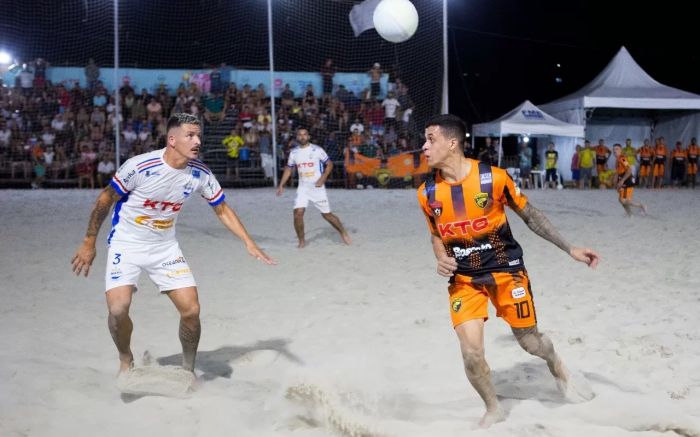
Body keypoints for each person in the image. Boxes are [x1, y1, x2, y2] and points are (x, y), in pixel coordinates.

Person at [417, 114, 599, 428]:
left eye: (430, 139)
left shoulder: (494, 178)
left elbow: (530, 216)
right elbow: (436, 234)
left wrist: (570, 248)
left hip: (507, 271)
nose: (424, 147)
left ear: (452, 142)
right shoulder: (427, 193)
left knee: (529, 342)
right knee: (471, 353)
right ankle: (493, 408)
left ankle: (555, 362)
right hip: (464, 280)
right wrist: (440, 256)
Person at [71, 113, 275, 377]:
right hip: (126, 244)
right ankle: (125, 358)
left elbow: (222, 209)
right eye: (190, 135)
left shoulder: (200, 173)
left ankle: (187, 370)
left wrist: (249, 242)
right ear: (172, 139)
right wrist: (89, 241)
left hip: (164, 247)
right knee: (118, 310)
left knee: (191, 310)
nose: (197, 141)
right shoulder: (139, 166)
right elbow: (105, 199)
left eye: (198, 135)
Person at [276, 128, 351, 248]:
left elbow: (329, 164)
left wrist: (323, 178)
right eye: (300, 135)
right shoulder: (294, 153)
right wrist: (281, 184)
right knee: (298, 213)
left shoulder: (317, 150)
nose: (302, 137)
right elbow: (289, 168)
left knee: (327, 215)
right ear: (297, 137)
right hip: (303, 188)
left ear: (308, 137)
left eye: (304, 134)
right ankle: (301, 241)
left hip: (317, 187)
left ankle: (343, 232)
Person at [613, 143, 646, 217]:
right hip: (623, 180)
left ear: (621, 150)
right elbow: (618, 172)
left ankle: (641, 206)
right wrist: (616, 183)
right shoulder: (617, 159)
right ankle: (630, 214)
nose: (615, 151)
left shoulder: (623, 158)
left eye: (617, 149)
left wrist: (622, 181)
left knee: (624, 200)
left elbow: (629, 170)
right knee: (622, 200)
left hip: (627, 180)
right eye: (614, 149)